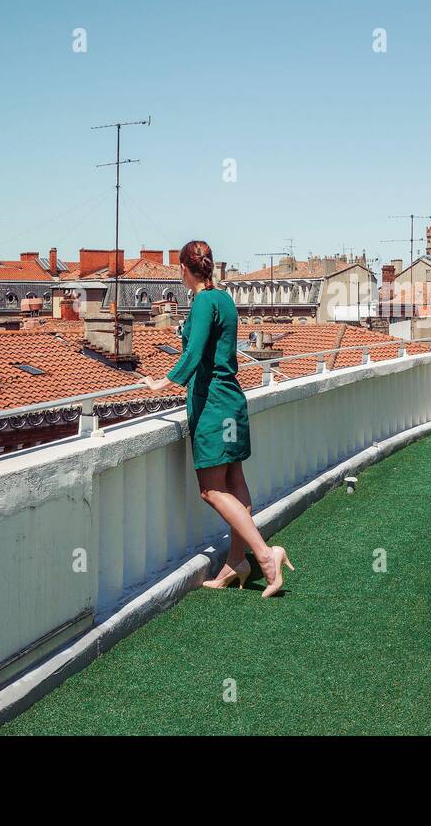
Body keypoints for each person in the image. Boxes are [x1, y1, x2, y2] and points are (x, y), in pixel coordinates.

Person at [140, 240, 294, 598]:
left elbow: (193, 354)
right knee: (235, 481)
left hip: (212, 404)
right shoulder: (224, 299)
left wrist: (160, 383)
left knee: (211, 489)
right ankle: (235, 563)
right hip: (232, 400)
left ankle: (265, 556)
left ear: (182, 269)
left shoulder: (203, 303)